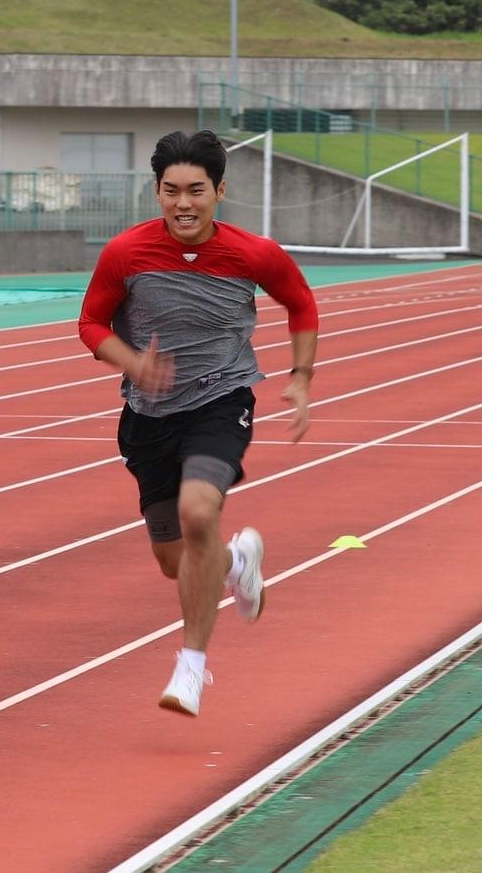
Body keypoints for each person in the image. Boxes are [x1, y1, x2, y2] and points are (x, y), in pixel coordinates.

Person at [77, 130, 319, 717]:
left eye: (196, 190)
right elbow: (89, 324)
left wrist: (301, 376)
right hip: (149, 417)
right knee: (176, 560)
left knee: (199, 511)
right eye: (170, 191)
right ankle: (237, 563)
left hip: (221, 401)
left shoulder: (253, 254)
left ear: (219, 192)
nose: (183, 203)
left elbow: (302, 304)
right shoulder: (126, 254)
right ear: (157, 192)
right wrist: (133, 361)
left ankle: (192, 666)